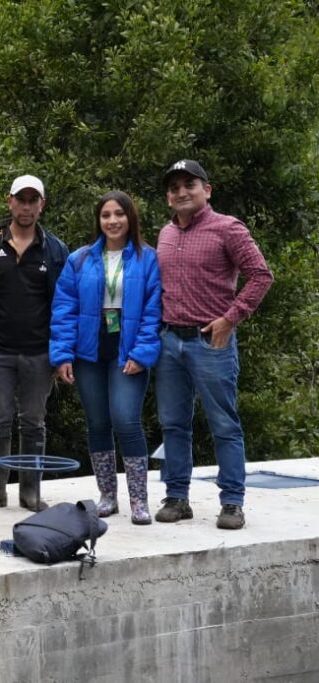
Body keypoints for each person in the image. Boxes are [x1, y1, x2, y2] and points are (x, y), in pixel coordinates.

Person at [154, 160, 273, 530]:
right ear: (168, 197)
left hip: (211, 342)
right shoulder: (165, 234)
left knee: (223, 423)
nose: (181, 191)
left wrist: (231, 318)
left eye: (189, 183)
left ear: (207, 189)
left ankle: (233, 502)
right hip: (170, 340)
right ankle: (177, 497)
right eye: (174, 187)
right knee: (173, 424)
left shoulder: (227, 228)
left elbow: (260, 275)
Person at [50, 191, 161, 524]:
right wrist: (62, 355)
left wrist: (142, 353)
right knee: (97, 423)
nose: (113, 221)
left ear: (130, 218)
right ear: (98, 221)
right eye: (106, 215)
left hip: (127, 353)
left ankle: (139, 500)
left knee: (126, 420)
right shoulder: (80, 259)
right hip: (89, 354)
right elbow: (64, 309)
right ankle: (107, 496)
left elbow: (153, 311)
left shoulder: (147, 258)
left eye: (119, 214)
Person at [0, 175, 68, 513]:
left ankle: (30, 493)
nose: (26, 206)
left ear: (42, 204)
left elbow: (64, 303)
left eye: (33, 200)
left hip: (39, 350)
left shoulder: (55, 249)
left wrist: (61, 350)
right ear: (9, 201)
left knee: (33, 422)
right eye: (20, 199)